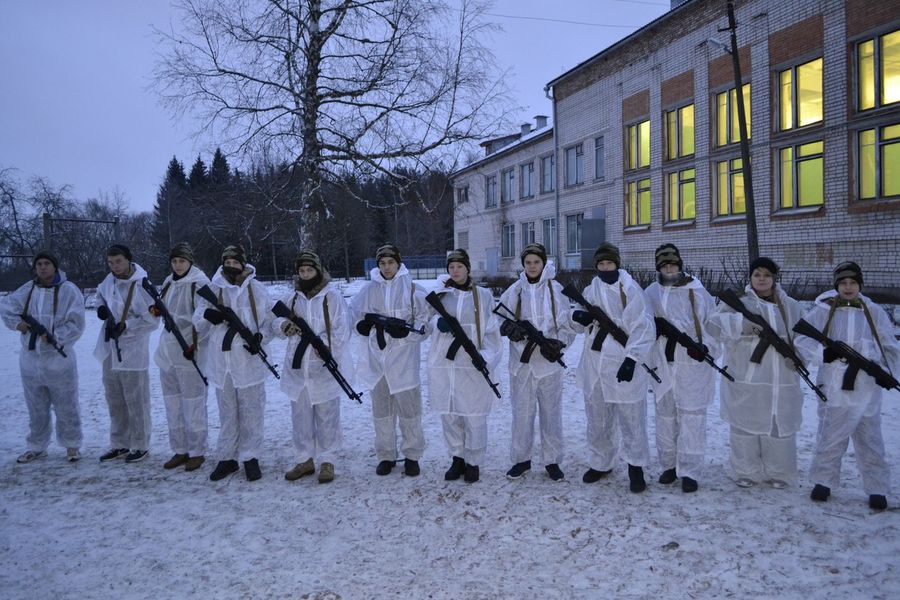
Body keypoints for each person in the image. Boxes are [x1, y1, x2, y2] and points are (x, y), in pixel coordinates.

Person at [794, 262, 900, 510]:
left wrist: (883, 371)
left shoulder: (872, 311)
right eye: (843, 283)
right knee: (829, 436)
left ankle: (877, 488)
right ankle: (823, 481)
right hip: (834, 385)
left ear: (859, 285)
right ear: (837, 286)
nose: (848, 287)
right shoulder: (824, 310)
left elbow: (889, 346)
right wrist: (824, 354)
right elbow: (801, 340)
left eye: (853, 283)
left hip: (866, 388)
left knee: (870, 439)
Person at [708, 257, 806, 489]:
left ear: (774, 279)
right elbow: (713, 325)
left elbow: (803, 337)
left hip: (781, 377)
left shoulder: (789, 305)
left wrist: (800, 358)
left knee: (778, 425)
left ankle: (780, 472)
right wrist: (741, 326)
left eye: (767, 275)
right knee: (744, 426)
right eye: (757, 275)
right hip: (746, 376)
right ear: (750, 278)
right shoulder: (737, 302)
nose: (762, 279)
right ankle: (746, 471)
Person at [572, 242, 655, 493]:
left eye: (609, 263)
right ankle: (601, 462)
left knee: (631, 419)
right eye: (601, 264)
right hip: (595, 364)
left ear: (617, 264)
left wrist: (631, 360)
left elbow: (644, 327)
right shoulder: (591, 289)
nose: (605, 267)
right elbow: (577, 312)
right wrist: (578, 316)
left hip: (622, 361)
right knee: (597, 418)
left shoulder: (630, 290)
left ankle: (635, 466)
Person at [193, 244, 274, 482]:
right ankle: (227, 458)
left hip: (249, 362)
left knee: (252, 413)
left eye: (234, 262)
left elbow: (269, 322)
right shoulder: (213, 288)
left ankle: (251, 457)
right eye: (226, 262)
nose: (230, 266)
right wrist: (209, 316)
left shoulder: (257, 290)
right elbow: (197, 321)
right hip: (222, 364)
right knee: (227, 414)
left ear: (242, 263)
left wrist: (260, 337)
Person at [644, 243, 720, 493]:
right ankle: (668, 466)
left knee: (692, 418)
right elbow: (642, 323)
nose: (669, 268)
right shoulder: (651, 292)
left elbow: (713, 325)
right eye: (664, 265)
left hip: (691, 363)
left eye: (672, 264)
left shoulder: (697, 291)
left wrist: (706, 347)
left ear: (680, 265)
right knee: (665, 416)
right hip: (662, 361)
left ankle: (689, 471)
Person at [349, 244, 430, 477]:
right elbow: (354, 315)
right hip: (377, 361)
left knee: (410, 411)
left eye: (390, 263)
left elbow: (426, 322)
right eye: (382, 263)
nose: (386, 267)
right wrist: (362, 326)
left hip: (404, 360)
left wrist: (409, 333)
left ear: (398, 263)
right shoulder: (369, 289)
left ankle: (412, 455)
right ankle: (386, 455)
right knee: (382, 412)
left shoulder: (413, 289)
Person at [498, 243, 574, 481]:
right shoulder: (514, 291)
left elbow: (567, 326)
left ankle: (552, 461)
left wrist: (558, 343)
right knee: (522, 414)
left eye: (536, 262)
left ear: (544, 263)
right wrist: (511, 331)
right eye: (528, 262)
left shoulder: (556, 290)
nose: (532, 267)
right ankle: (521, 460)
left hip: (549, 365)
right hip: (521, 366)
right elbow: (499, 318)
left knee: (551, 415)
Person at [1, 251, 85, 463]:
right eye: (39, 264)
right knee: (36, 407)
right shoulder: (28, 289)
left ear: (55, 267)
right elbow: (7, 307)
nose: (43, 267)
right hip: (31, 361)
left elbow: (76, 323)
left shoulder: (68, 290)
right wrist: (18, 324)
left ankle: (72, 445)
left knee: (66, 405)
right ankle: (36, 445)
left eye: (47, 263)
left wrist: (57, 337)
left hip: (59, 360)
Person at [274, 251, 351, 484]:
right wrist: (283, 325)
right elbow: (273, 320)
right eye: (302, 271)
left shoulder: (332, 298)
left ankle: (327, 461)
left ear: (318, 271)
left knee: (327, 416)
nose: (306, 275)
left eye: (310, 270)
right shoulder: (293, 298)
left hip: (323, 369)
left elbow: (342, 329)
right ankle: (304, 459)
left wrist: (325, 348)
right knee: (301, 417)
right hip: (298, 370)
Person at [427, 249, 501, 483]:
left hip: (471, 364)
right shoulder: (440, 295)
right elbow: (424, 320)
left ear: (468, 268)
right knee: (450, 414)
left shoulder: (483, 296)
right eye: (451, 267)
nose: (455, 270)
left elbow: (491, 332)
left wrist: (485, 357)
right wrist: (436, 322)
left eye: (459, 266)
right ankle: (457, 458)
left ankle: (473, 461)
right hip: (444, 364)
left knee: (474, 415)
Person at [94, 244, 159, 464]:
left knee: (136, 401)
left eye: (118, 261)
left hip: (133, 352)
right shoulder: (108, 281)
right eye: (110, 262)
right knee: (114, 399)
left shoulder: (142, 286)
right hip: (110, 349)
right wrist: (101, 308)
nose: (114, 266)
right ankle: (119, 443)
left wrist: (127, 326)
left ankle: (140, 445)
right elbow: (99, 296)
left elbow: (152, 320)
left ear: (129, 260)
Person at [151, 243, 211, 472]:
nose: (177, 266)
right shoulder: (168, 282)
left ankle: (197, 451)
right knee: (172, 404)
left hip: (189, 351)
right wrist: (156, 310)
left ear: (190, 262)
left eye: (182, 261)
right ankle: (179, 449)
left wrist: (195, 344)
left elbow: (203, 319)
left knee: (193, 404)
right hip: (167, 351)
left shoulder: (200, 284)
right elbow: (162, 308)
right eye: (174, 261)